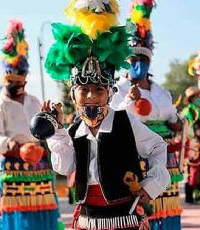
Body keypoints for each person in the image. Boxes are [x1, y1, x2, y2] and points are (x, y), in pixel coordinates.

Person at [43, 1, 170, 229]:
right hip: (86, 221)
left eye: (99, 90)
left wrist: (151, 186)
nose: (91, 96)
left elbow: (158, 147)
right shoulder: (74, 131)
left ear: (110, 92)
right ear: (74, 95)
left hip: (124, 220)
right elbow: (64, 168)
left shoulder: (125, 121)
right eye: (84, 90)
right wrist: (56, 134)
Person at [110, 0, 183, 229]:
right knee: (141, 203)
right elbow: (113, 117)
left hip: (165, 154)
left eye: (143, 59)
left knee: (166, 205)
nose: (138, 63)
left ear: (150, 60)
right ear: (127, 61)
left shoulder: (160, 91)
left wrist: (178, 123)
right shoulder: (118, 88)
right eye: (134, 59)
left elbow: (173, 117)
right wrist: (130, 99)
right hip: (137, 152)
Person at [0, 20, 60, 230]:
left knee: (43, 213)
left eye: (21, 83)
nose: (18, 87)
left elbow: (45, 130)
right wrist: (14, 146)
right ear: (6, 81)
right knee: (17, 216)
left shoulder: (34, 101)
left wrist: (44, 143)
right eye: (14, 84)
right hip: (13, 166)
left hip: (39, 165)